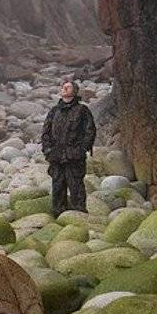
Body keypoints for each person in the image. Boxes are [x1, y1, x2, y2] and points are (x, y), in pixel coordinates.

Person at [41, 79, 96, 215]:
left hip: (74, 155)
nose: (64, 88)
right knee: (58, 185)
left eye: (68, 87)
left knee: (76, 185)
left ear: (75, 91)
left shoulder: (82, 110)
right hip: (56, 155)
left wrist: (82, 148)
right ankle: (58, 214)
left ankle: (80, 213)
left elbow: (90, 131)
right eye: (63, 87)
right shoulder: (54, 111)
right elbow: (45, 132)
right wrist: (47, 150)